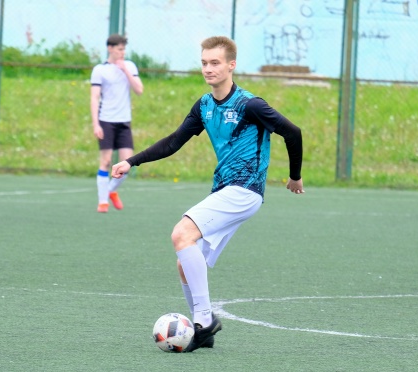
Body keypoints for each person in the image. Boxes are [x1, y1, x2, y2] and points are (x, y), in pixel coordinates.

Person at [112, 36, 304, 352]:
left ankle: (203, 320)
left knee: (181, 234)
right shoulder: (204, 106)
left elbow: (292, 132)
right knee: (186, 262)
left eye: (215, 62)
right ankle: (205, 332)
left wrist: (294, 176)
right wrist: (131, 161)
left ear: (231, 65)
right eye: (204, 62)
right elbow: (173, 142)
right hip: (226, 190)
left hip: (245, 190)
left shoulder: (250, 105)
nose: (208, 68)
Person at [90, 34, 144, 213]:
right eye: (119, 49)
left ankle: (110, 191)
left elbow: (139, 90)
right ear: (110, 48)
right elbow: (94, 97)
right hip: (106, 120)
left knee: (126, 164)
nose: (122, 52)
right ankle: (102, 202)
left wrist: (125, 70)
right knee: (105, 161)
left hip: (124, 122)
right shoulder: (100, 70)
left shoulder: (130, 66)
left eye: (124, 49)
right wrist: (96, 124)